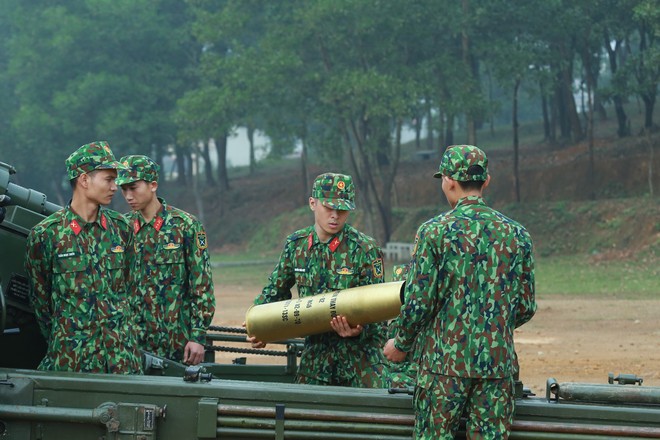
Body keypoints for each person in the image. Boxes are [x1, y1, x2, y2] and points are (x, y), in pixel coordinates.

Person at [384, 145, 536, 439]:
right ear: (486, 180)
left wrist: (401, 343)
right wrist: (490, 327)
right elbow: (526, 306)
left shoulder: (434, 232)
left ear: (449, 181)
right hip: (496, 366)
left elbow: (418, 302)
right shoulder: (517, 234)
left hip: (442, 367)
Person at [249, 172, 388, 387]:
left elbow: (380, 318)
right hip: (315, 361)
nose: (335, 216)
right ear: (313, 203)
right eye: (329, 208)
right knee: (304, 416)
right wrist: (258, 324)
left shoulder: (364, 249)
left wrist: (358, 330)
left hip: (360, 363)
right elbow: (275, 292)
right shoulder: (297, 245)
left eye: (342, 210)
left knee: (372, 416)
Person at [26, 141, 142, 374]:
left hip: (122, 362)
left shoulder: (121, 228)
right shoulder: (47, 234)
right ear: (84, 180)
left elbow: (131, 289)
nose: (114, 186)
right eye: (108, 179)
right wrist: (71, 338)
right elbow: (41, 302)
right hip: (72, 362)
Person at [115, 155, 215, 365]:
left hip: (177, 344)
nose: (128, 195)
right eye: (124, 189)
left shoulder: (186, 226)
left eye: (133, 187)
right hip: (132, 344)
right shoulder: (120, 229)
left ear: (153, 185)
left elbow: (201, 285)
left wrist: (197, 336)